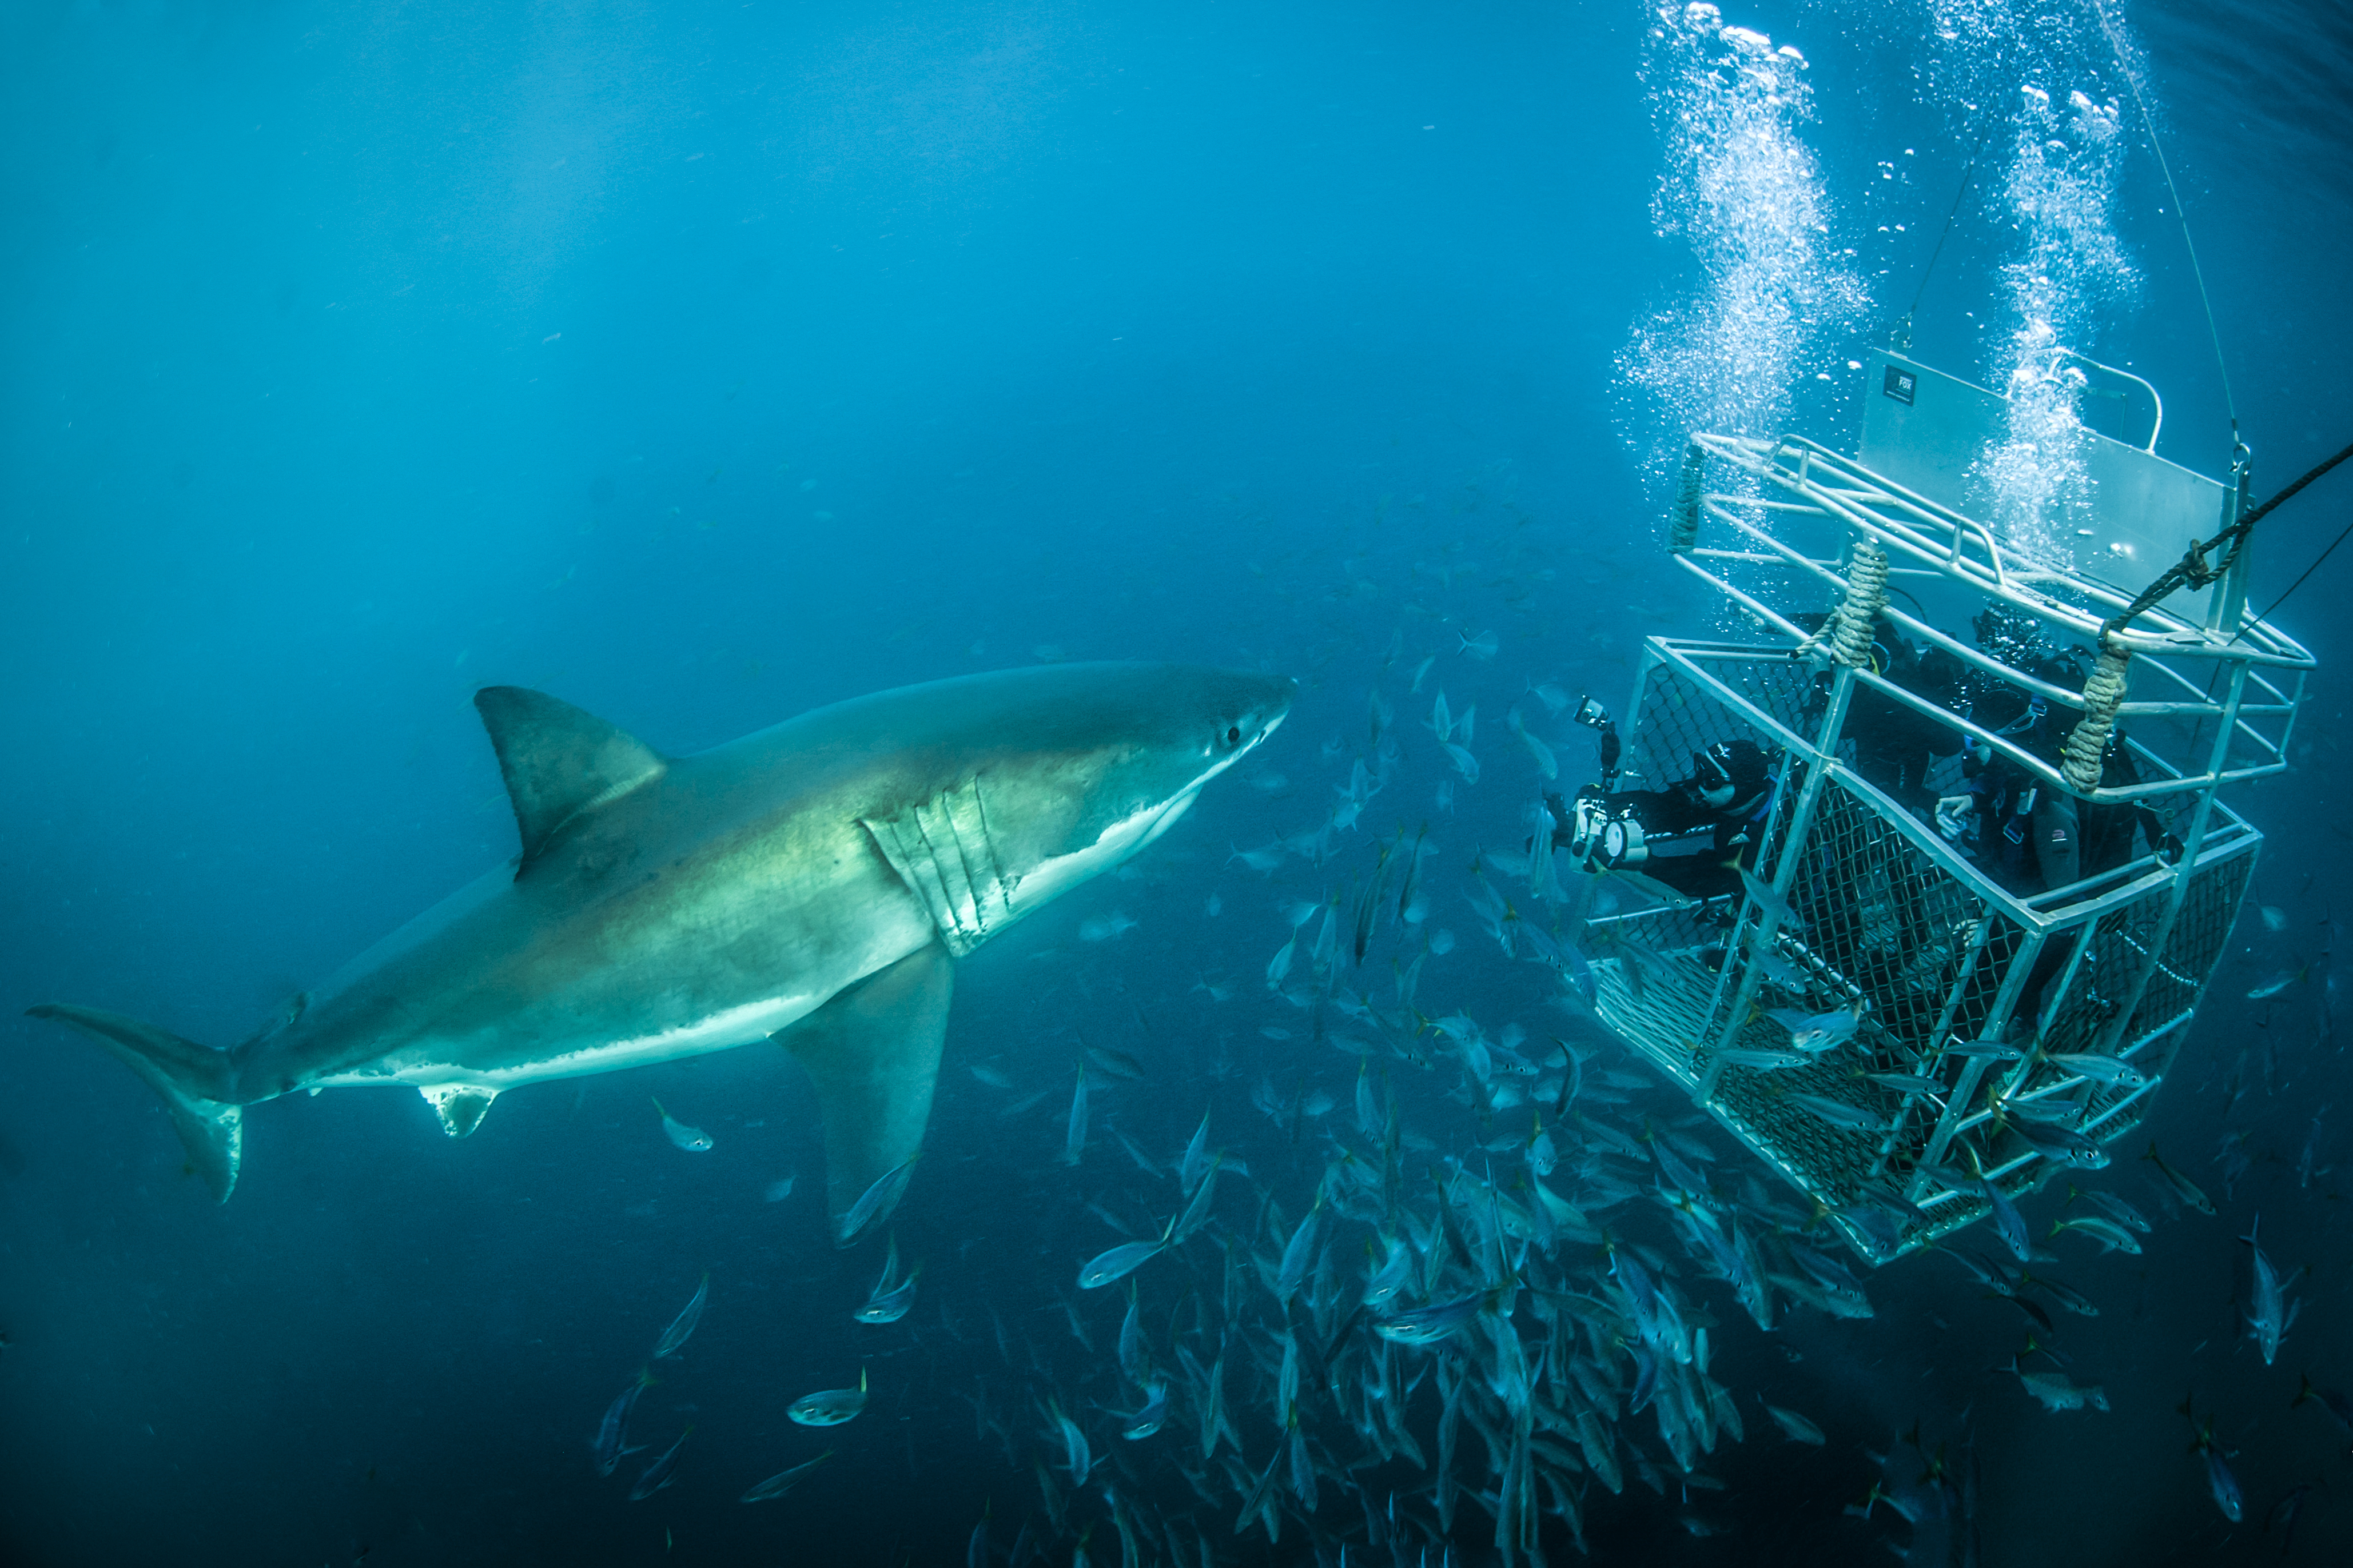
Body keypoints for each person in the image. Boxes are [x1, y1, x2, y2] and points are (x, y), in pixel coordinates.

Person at [1548, 723, 1778, 901]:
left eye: (1712, 779)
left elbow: (1711, 876)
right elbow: (1668, 807)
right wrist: (1607, 805)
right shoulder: (1722, 794)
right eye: (1700, 769)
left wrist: (1640, 863)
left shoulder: (1768, 833)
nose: (1699, 783)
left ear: (1744, 787)